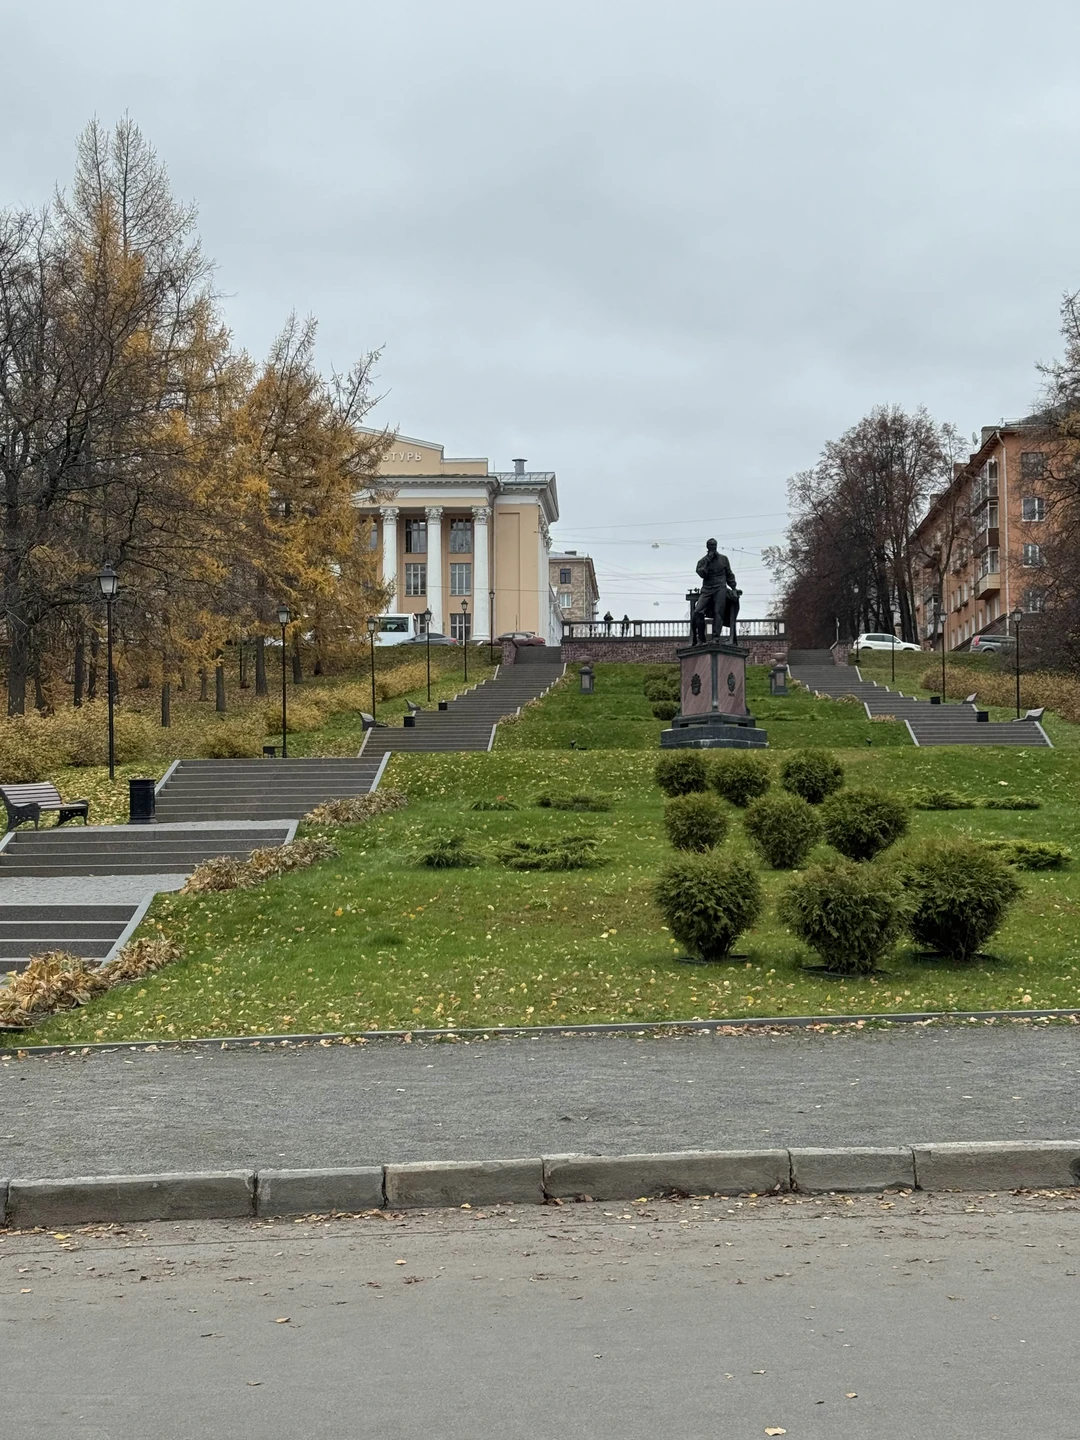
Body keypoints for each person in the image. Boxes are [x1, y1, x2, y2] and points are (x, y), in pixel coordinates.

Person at [691, 538, 740, 643]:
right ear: (707, 547)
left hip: (720, 588)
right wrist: (708, 561)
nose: (713, 547)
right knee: (697, 612)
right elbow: (701, 574)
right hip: (707, 589)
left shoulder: (723, 559)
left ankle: (715, 638)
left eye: (714, 545)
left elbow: (729, 575)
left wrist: (734, 588)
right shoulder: (702, 561)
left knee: (718, 611)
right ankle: (701, 639)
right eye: (711, 545)